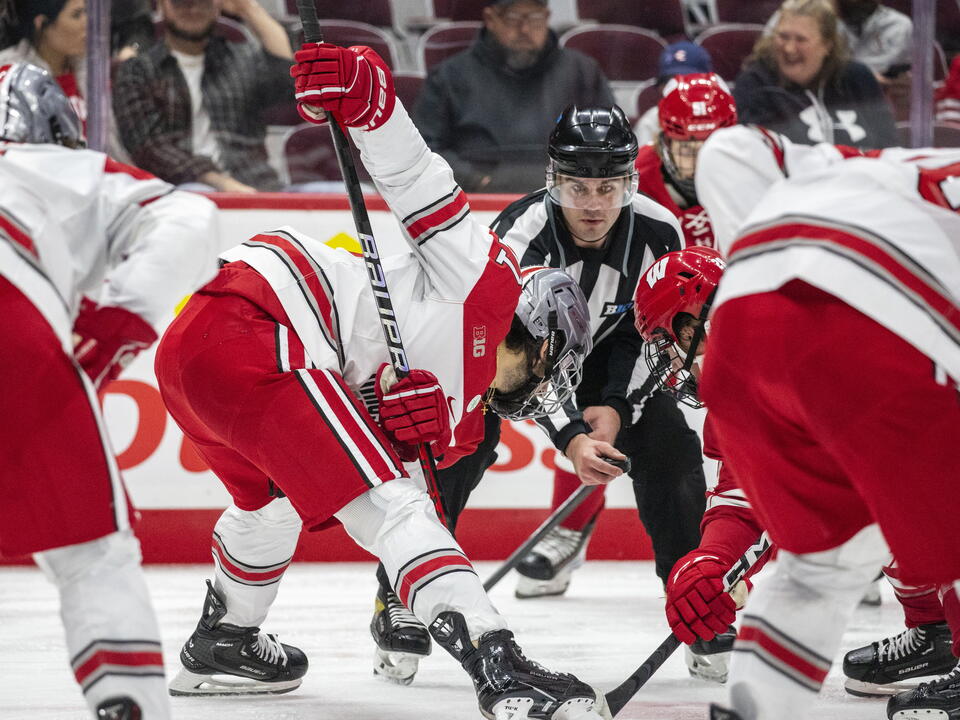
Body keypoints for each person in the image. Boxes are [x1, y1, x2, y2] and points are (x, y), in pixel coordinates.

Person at [155, 41, 610, 720]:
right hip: (257, 321)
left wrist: (373, 411)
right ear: (533, 327)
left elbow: (346, 448)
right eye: (548, 362)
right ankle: (500, 664)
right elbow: (418, 180)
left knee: (271, 504)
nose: (544, 385)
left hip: (202, 352)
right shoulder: (486, 279)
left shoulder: (461, 419)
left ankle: (226, 637)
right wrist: (370, 96)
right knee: (397, 505)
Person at [692, 125, 960, 720]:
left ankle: (755, 709)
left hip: (740, 330)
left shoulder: (867, 161)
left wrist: (770, 274)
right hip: (881, 330)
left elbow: (726, 150)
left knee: (819, 571)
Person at [0, 62, 219, 720]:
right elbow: (192, 216)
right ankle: (129, 700)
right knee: (93, 553)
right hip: (13, 315)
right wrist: (116, 324)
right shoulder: (56, 168)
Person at [412, 0, 615, 193]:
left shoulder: (583, 72)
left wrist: (575, 181)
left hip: (568, 201)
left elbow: (609, 139)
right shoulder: (449, 76)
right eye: (513, 18)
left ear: (547, 17)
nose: (525, 29)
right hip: (474, 201)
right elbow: (425, 148)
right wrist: (473, 179)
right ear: (490, 19)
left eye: (534, 18)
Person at [112, 0, 293, 192]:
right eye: (180, 3)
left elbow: (288, 83)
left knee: (325, 191)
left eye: (204, 2)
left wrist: (247, 8)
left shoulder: (241, 58)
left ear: (218, 6)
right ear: (162, 5)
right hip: (180, 192)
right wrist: (223, 183)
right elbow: (149, 148)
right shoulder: (138, 70)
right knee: (200, 192)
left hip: (257, 182)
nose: (193, 9)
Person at [734, 0, 897, 149]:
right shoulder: (755, 84)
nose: (789, 48)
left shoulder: (857, 78)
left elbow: (889, 147)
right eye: (783, 37)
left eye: (801, 40)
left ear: (827, 45)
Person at [634, 72, 737, 250]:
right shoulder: (638, 177)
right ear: (665, 142)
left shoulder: (754, 171)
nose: (701, 160)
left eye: (712, 145)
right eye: (688, 148)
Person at [633, 41, 714, 146]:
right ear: (661, 88)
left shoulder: (724, 116)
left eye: (688, 80)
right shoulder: (651, 121)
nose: (679, 88)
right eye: (670, 82)